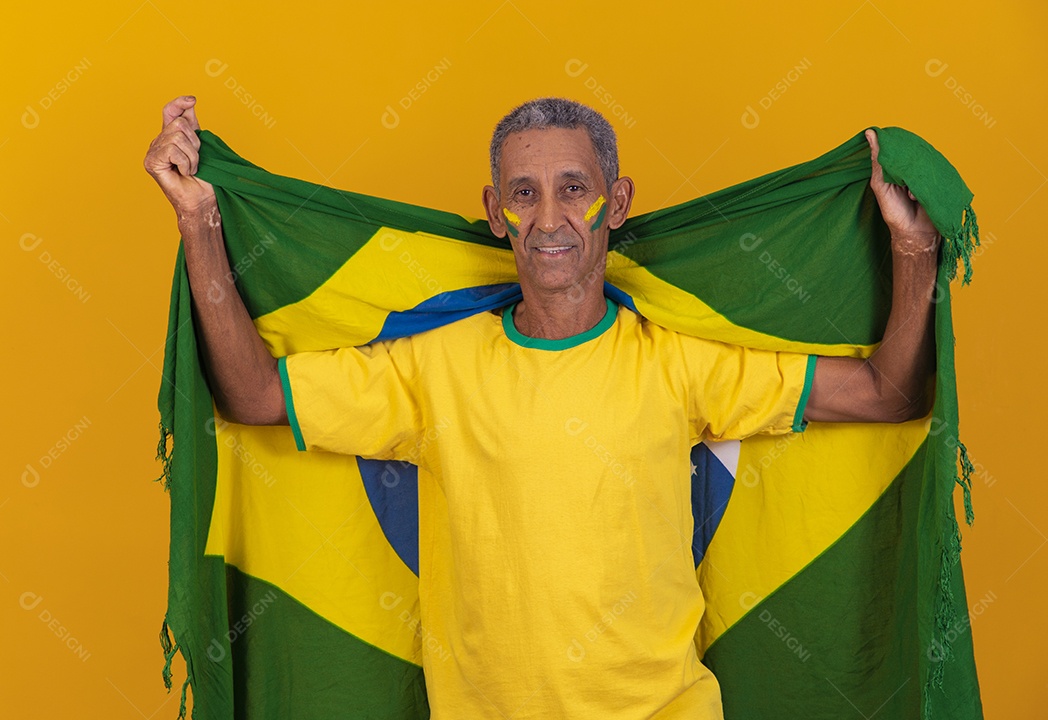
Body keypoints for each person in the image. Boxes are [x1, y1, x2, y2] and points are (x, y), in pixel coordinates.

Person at [144, 95, 939, 718]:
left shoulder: (678, 362)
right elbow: (252, 395)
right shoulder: (433, 370)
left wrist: (912, 247)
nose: (550, 218)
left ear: (616, 201)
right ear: (495, 213)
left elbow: (890, 394)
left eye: (574, 189)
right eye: (524, 193)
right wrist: (201, 220)